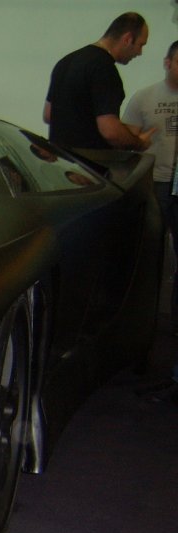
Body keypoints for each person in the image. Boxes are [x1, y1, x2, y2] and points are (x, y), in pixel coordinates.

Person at [123, 41, 178, 334]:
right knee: (148, 254)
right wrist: (138, 142)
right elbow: (125, 144)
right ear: (167, 63)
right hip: (154, 183)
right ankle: (143, 322)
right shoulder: (144, 98)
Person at [44, 12, 156, 151]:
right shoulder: (104, 69)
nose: (140, 53)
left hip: (59, 160)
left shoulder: (65, 62)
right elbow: (110, 132)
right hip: (88, 162)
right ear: (127, 39)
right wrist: (138, 143)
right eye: (140, 45)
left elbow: (48, 115)